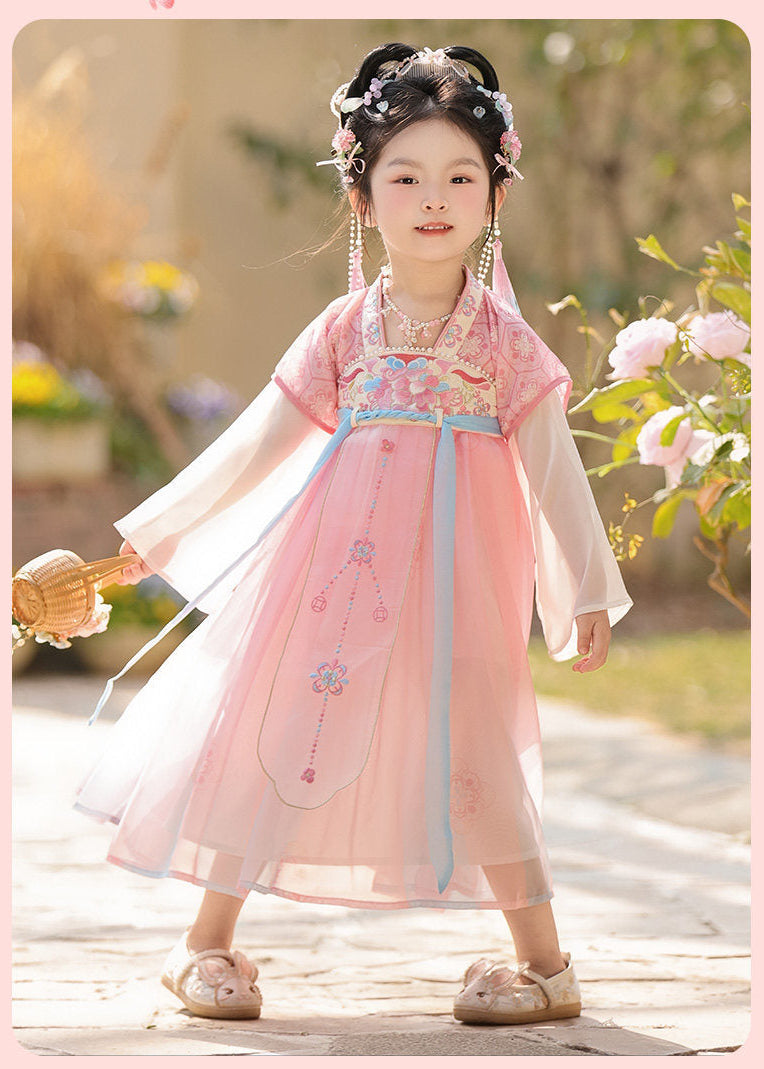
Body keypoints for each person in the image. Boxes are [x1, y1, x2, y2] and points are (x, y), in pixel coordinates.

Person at [74, 43, 633, 1026]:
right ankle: (205, 942)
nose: (433, 199)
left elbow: (554, 467)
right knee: (279, 724)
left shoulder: (504, 344)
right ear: (362, 195)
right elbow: (255, 445)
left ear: (495, 194)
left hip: (460, 581)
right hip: (333, 577)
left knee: (477, 744)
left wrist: (587, 585)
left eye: (460, 176)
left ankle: (545, 965)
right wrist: (156, 533)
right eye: (404, 177)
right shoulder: (343, 330)